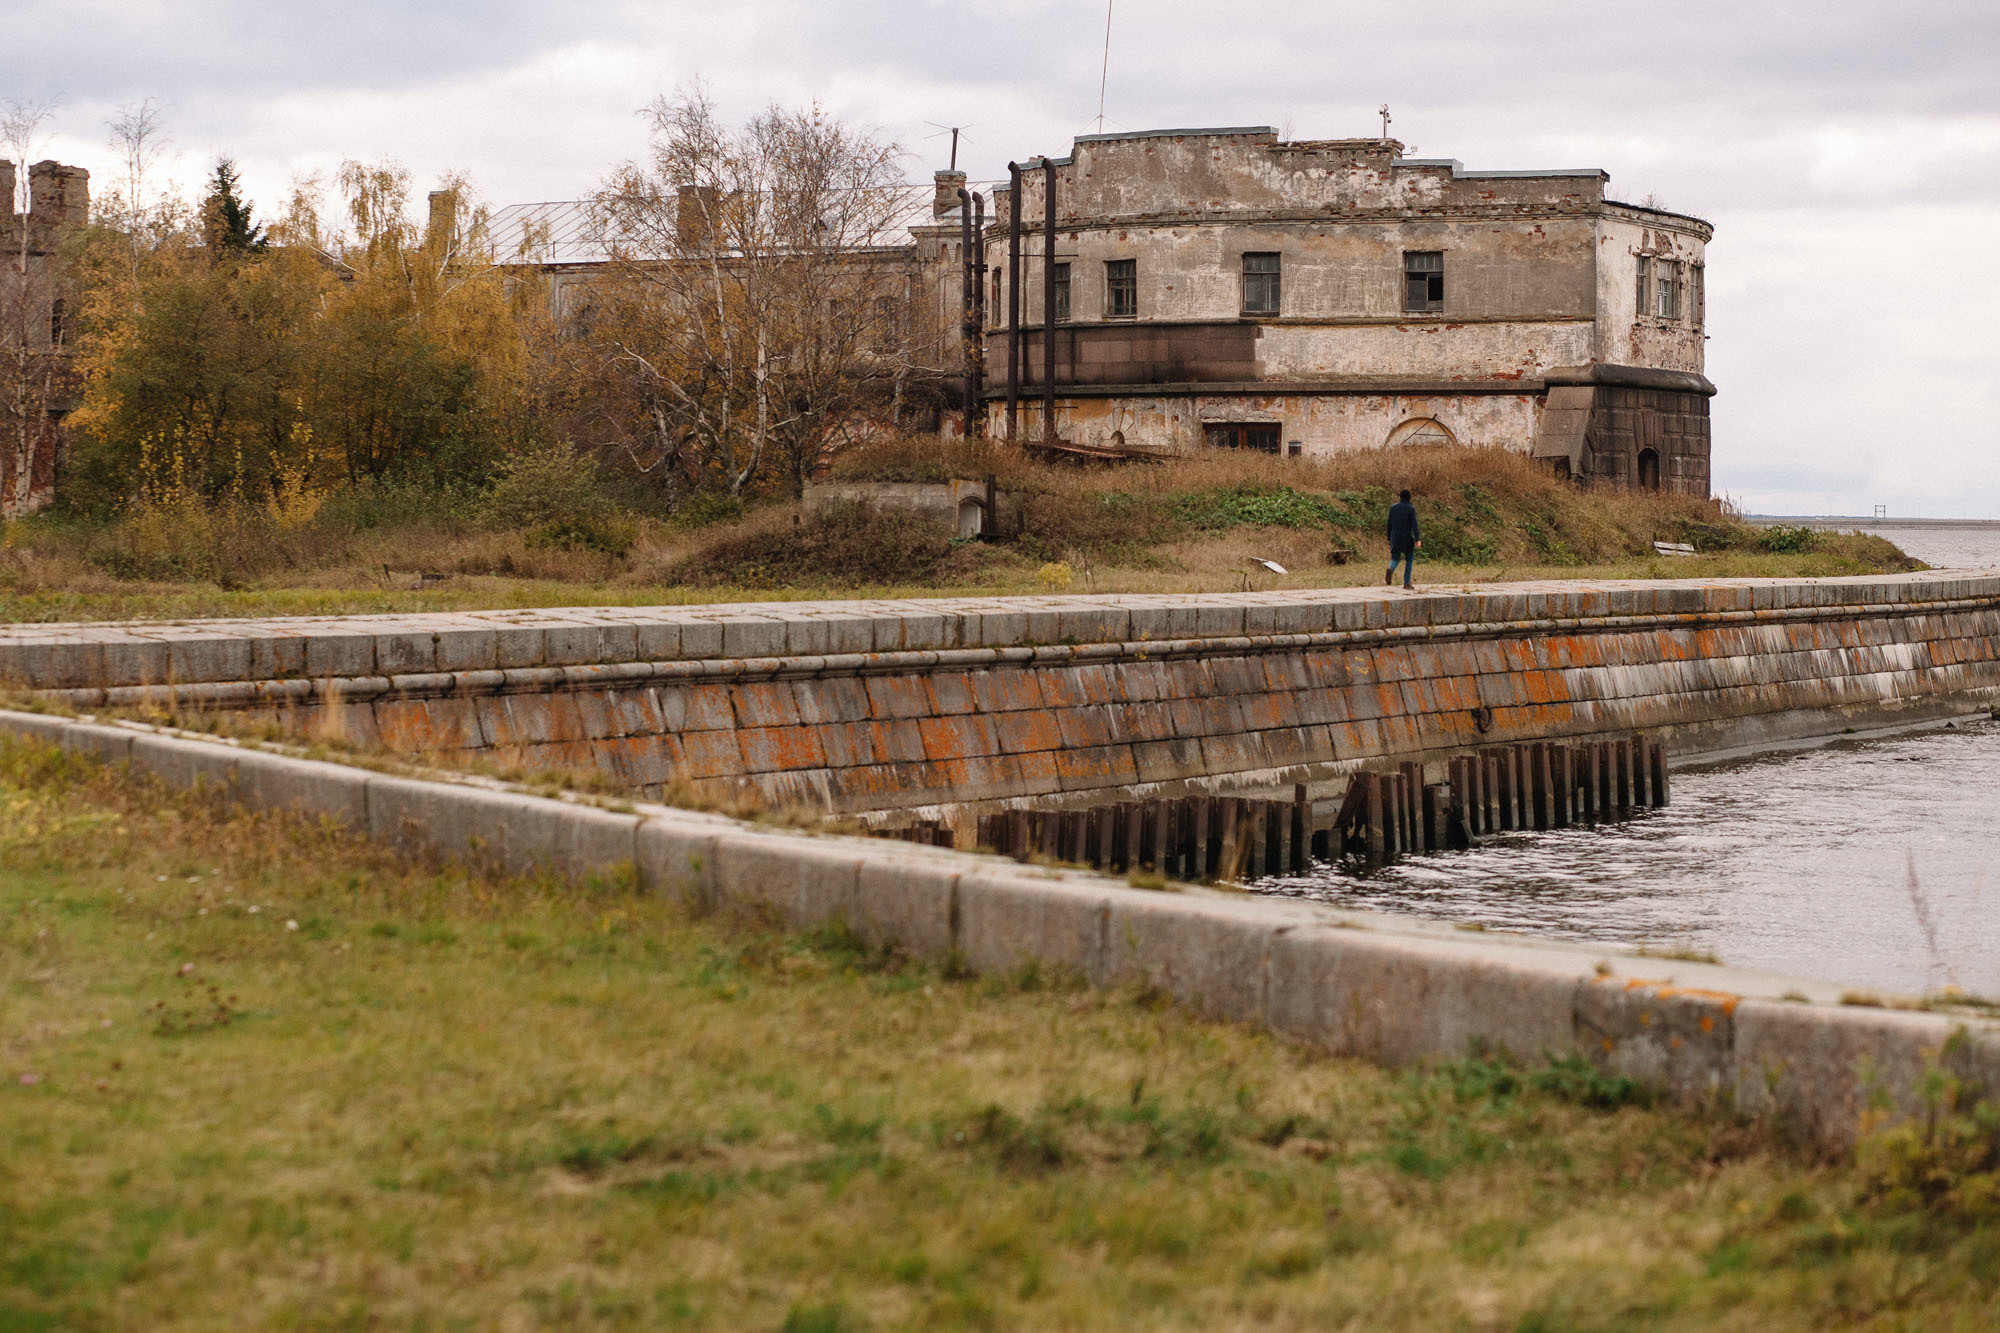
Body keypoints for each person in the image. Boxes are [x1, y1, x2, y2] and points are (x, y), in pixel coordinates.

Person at [1385, 489, 1420, 589]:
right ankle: (1407, 583)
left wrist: (1389, 537)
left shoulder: (1393, 508)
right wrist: (1417, 539)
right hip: (1407, 538)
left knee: (1395, 558)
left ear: (1400, 497)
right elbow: (1414, 525)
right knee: (1409, 559)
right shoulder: (1411, 508)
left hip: (1395, 538)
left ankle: (1391, 568)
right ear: (1409, 498)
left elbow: (1389, 524)